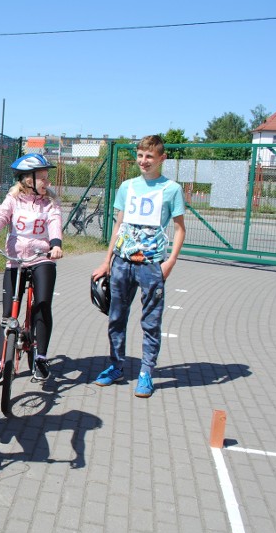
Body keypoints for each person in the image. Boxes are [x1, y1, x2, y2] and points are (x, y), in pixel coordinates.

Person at [91, 134, 186, 398]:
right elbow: (118, 225)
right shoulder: (127, 187)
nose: (144, 161)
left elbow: (180, 229)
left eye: (150, 157)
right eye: (141, 156)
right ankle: (115, 366)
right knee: (116, 317)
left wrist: (170, 262)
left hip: (152, 265)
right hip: (122, 263)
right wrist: (106, 261)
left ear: (161, 159)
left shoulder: (172, 190)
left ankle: (146, 372)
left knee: (151, 322)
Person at [0, 153, 63, 383]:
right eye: (42, 178)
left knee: (43, 305)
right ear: (28, 179)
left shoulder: (51, 203)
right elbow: (0, 217)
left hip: (42, 257)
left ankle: (41, 359)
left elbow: (55, 225)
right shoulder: (13, 200)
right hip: (15, 259)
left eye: (47, 177)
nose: (47, 182)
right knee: (8, 314)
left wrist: (55, 246)